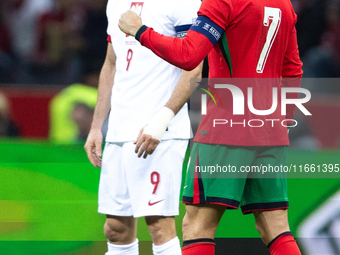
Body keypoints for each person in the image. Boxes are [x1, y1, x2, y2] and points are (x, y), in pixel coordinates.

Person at [118, 0, 304, 255]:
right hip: (270, 128)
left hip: (225, 128)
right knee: (275, 226)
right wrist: (280, 124)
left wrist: (140, 31)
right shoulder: (284, 4)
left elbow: (188, 54)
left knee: (197, 226)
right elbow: (292, 70)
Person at [84, 0, 202, 254]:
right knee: (116, 229)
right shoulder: (115, 3)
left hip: (159, 132)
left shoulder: (184, 3)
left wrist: (162, 120)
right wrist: (97, 126)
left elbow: (195, 65)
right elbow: (111, 63)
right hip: (118, 130)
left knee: (159, 226)